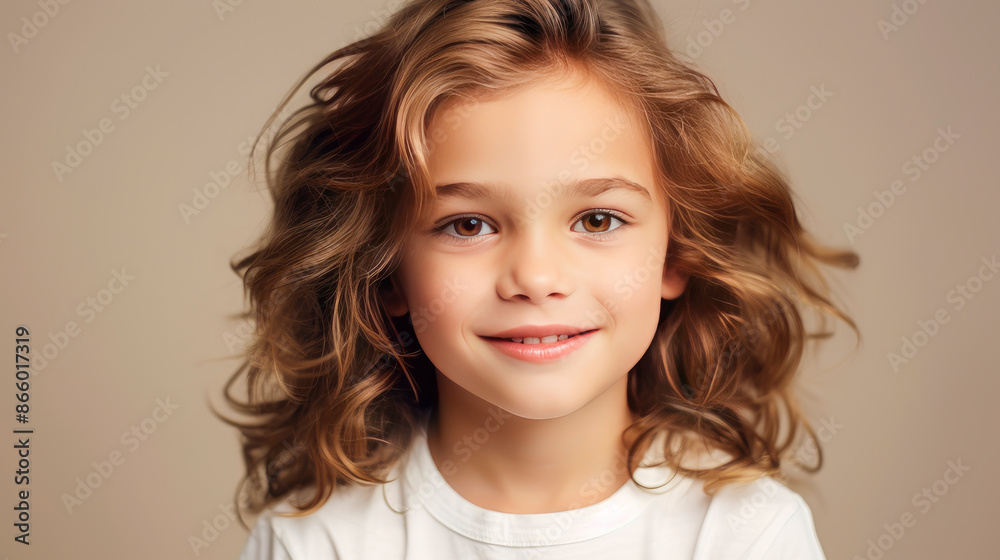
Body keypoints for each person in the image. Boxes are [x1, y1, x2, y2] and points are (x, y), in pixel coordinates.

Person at [221, 0, 859, 558]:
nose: (536, 277)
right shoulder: (316, 541)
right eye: (468, 225)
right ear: (385, 270)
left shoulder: (745, 535)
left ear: (677, 254)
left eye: (598, 219)